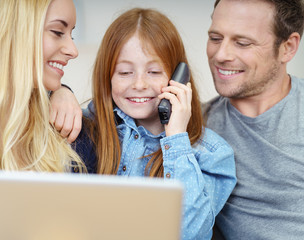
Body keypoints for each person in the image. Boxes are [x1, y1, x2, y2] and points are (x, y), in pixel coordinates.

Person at [71, 8, 237, 240]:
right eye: (125, 72)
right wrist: (59, 93)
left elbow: (188, 233)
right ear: (107, 77)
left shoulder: (212, 155)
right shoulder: (86, 127)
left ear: (179, 77)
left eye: (154, 71)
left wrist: (176, 138)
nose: (139, 84)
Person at [0, 0, 87, 173]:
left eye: (71, 35)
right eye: (57, 32)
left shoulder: (69, 128)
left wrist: (61, 90)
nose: (73, 51)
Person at [204, 0, 304, 239]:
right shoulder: (197, 125)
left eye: (242, 43)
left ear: (288, 47)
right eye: (215, 38)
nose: (221, 54)